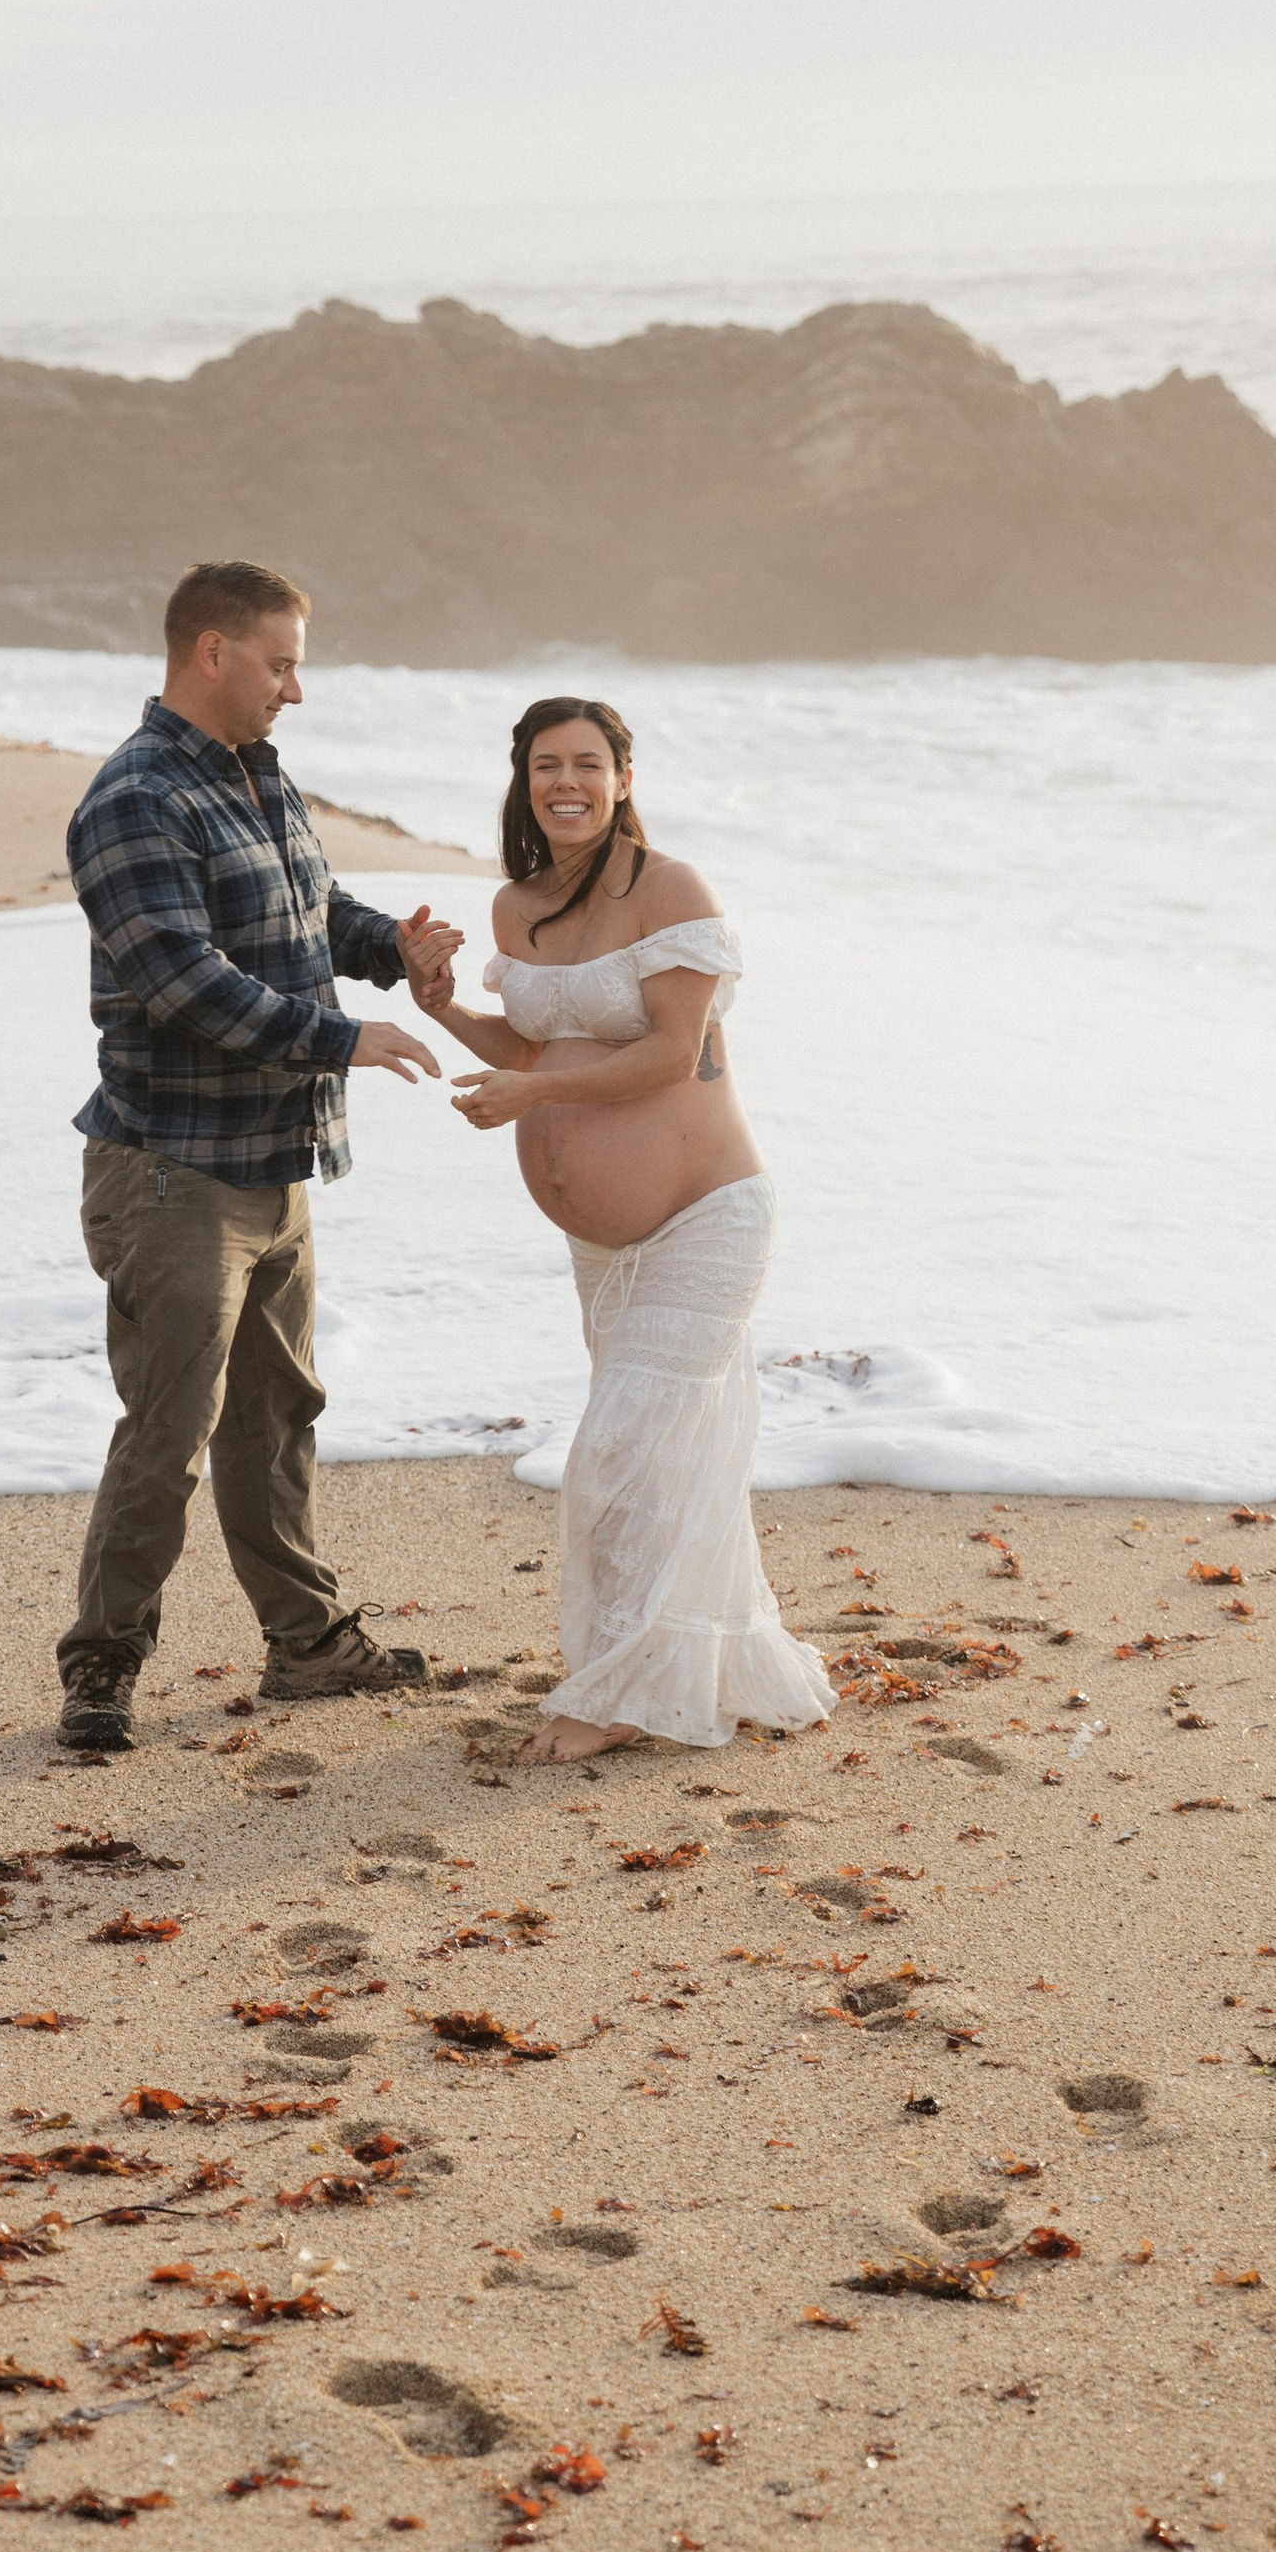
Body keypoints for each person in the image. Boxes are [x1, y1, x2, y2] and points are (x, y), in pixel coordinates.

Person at [57, 558, 465, 1754]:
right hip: (173, 1173)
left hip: (272, 1164)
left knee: (277, 1413)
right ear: (212, 653)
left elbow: (308, 914)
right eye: (281, 662)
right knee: (169, 1430)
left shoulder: (254, 778)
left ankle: (307, 1643)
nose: (296, 688)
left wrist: (393, 942)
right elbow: (184, 983)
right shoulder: (133, 799)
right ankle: (100, 1670)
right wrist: (344, 1037)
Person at [403, 695, 833, 1760]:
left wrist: (529, 1100)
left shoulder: (668, 889)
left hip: (704, 1218)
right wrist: (442, 1004)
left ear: (623, 779)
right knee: (662, 1462)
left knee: (622, 1454)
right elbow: (539, 1040)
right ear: (524, 778)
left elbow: (670, 1054)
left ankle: (612, 1697)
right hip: (603, 1248)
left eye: (588, 764)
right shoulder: (518, 907)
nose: (568, 783)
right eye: (547, 764)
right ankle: (677, 1669)